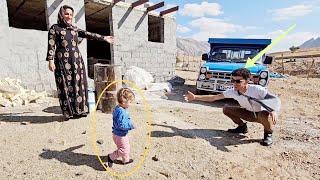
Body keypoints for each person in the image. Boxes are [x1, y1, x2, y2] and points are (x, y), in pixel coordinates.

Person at [45, 5, 114, 119]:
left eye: (71, 14)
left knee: (79, 85)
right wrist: (50, 61)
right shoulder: (55, 28)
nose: (69, 16)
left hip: (77, 61)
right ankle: (69, 112)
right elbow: (51, 45)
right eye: (66, 14)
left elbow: (88, 34)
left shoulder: (74, 29)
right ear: (61, 14)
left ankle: (80, 110)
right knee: (65, 85)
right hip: (62, 62)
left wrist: (104, 38)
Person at [184, 68, 279, 146]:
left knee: (264, 114)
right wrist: (195, 97)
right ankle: (242, 127)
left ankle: (268, 135)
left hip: (260, 115)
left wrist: (273, 110)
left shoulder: (258, 90)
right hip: (248, 113)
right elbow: (214, 97)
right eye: (233, 80)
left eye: (238, 81)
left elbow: (274, 99)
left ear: (247, 81)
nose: (234, 83)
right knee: (226, 109)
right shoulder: (232, 91)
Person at [105, 88, 135, 167]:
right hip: (120, 135)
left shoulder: (119, 108)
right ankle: (111, 157)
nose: (130, 104)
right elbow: (121, 125)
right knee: (124, 149)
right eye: (129, 102)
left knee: (126, 147)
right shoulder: (121, 111)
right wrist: (130, 125)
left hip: (118, 134)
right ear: (124, 101)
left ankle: (126, 160)